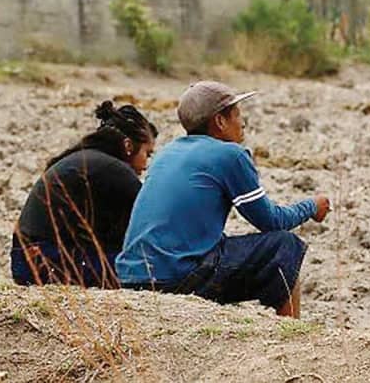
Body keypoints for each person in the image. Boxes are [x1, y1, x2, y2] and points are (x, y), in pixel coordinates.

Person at [116, 81, 330, 318]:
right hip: (176, 277)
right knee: (284, 245)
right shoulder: (230, 155)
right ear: (219, 121)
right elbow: (271, 221)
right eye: (237, 114)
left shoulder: (167, 153)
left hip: (130, 277)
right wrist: (311, 206)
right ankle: (292, 334)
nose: (243, 122)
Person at [11, 101, 158, 288]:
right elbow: (148, 217)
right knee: (149, 268)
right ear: (128, 145)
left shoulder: (88, 160)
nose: (146, 165)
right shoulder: (114, 169)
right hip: (45, 261)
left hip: (28, 261)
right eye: (148, 153)